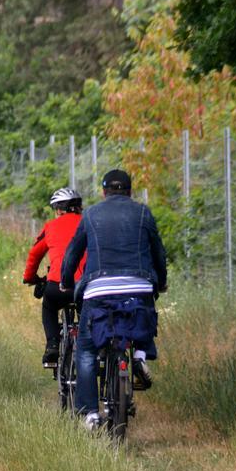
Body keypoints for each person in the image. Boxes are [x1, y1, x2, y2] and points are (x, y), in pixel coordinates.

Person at [60, 169, 167, 431]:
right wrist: (160, 281)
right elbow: (158, 252)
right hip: (138, 285)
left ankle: (90, 413)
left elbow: (73, 251)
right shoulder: (143, 212)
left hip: (99, 289)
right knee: (143, 309)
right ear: (130, 191)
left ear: (104, 192)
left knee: (86, 348)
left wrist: (65, 281)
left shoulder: (91, 214)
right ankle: (140, 355)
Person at [23, 188, 86, 366]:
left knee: (49, 306)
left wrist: (30, 277)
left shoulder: (50, 226)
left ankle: (52, 344)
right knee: (89, 311)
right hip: (86, 285)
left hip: (58, 285)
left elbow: (34, 254)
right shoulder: (90, 223)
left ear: (59, 209)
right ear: (79, 207)